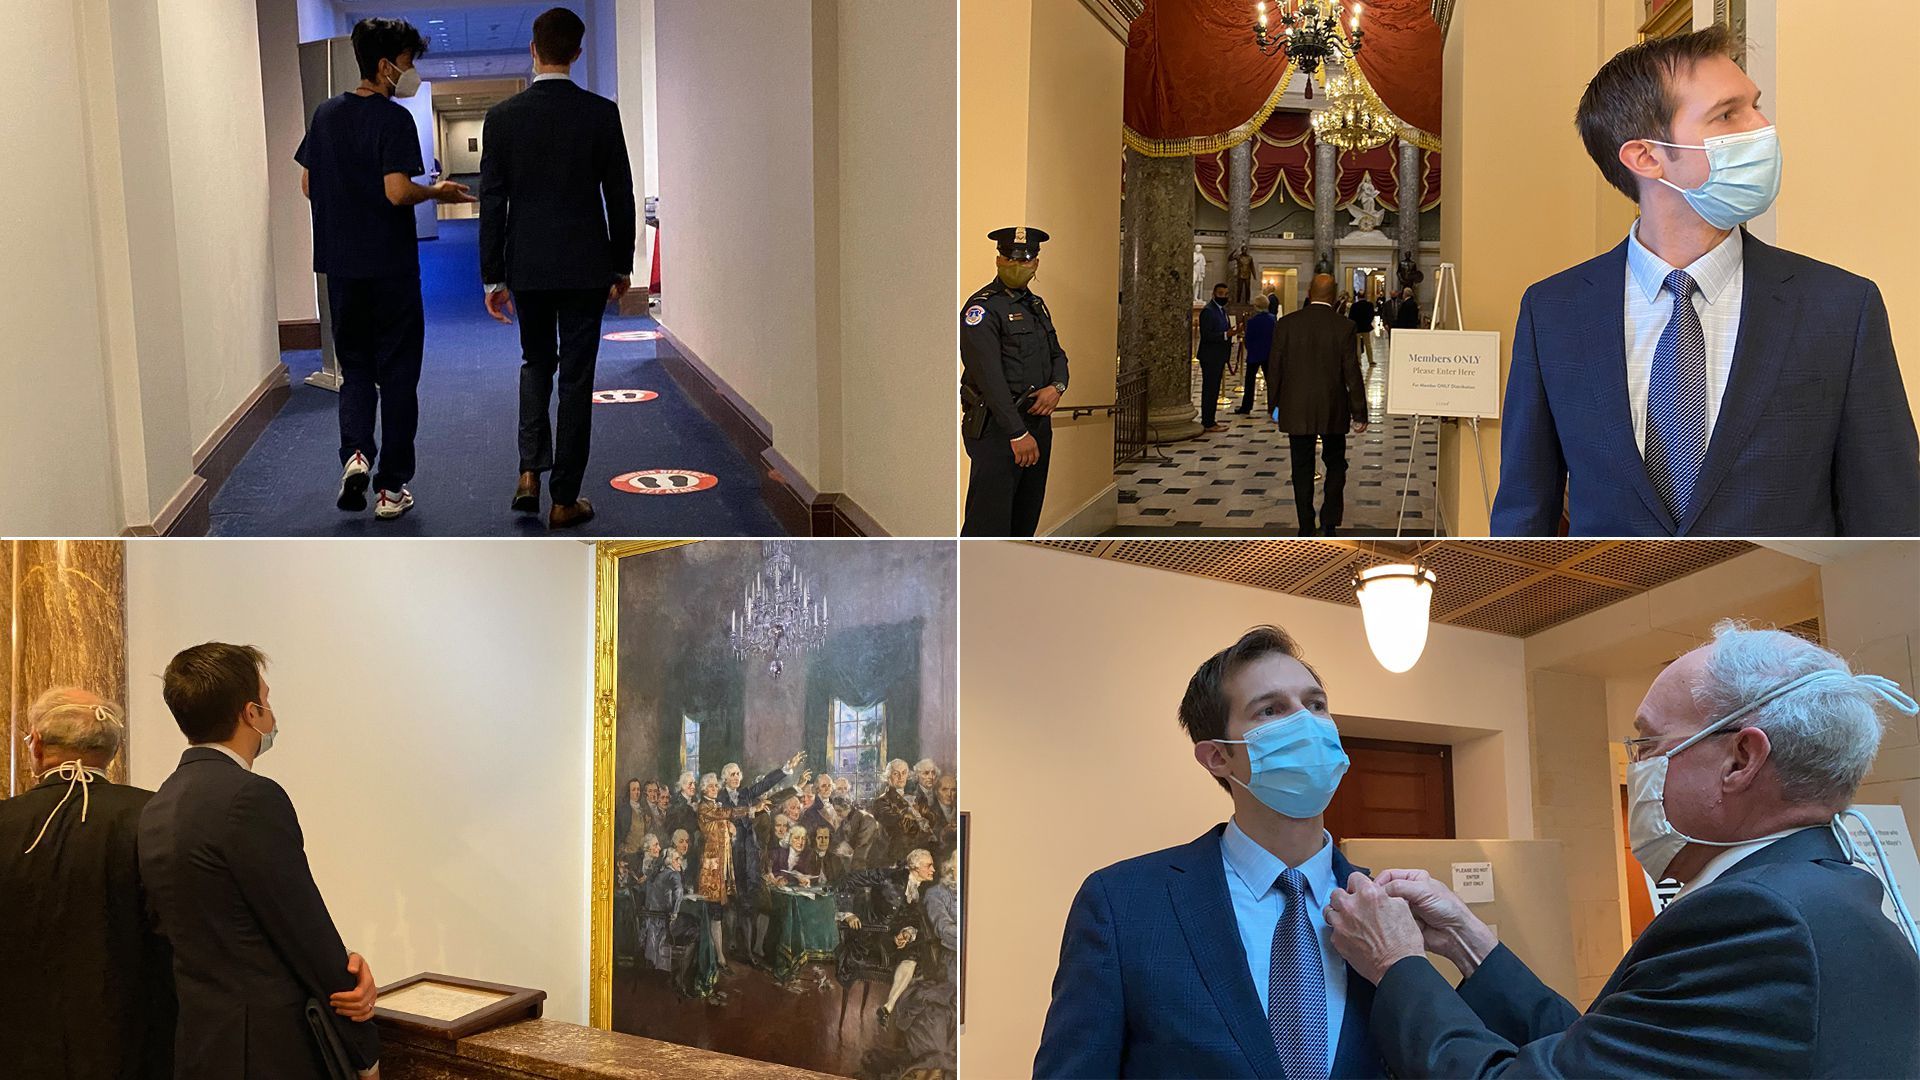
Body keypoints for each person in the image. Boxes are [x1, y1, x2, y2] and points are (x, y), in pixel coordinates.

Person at [1327, 622, 1920, 1077]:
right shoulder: (1829, 887)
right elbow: (1608, 1053)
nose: (1637, 768)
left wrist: (1396, 963)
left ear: (1741, 760)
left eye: (1648, 743)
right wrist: (1468, 941)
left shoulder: (1760, 919)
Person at [1491, 27, 1918, 536]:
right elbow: (1524, 514)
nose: (1761, 127)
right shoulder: (1553, 312)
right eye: (1728, 114)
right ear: (1646, 156)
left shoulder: (1841, 308)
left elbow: (1892, 517)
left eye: (1755, 107)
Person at [1035, 626, 1387, 1079]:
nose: (1306, 722)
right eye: (1271, 709)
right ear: (1218, 757)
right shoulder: (1122, 904)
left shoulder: (1384, 905)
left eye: (1316, 704)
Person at [139, 643, 382, 1079]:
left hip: (201, 1043)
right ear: (251, 714)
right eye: (266, 701)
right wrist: (363, 1044)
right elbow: (298, 924)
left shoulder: (159, 804)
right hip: (268, 1050)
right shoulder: (251, 797)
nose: (270, 713)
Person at [297, 18, 476, 522]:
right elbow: (397, 191)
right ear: (385, 66)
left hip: (341, 266)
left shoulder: (325, 114)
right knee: (398, 376)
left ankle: (355, 453)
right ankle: (390, 488)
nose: (411, 71)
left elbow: (309, 185)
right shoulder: (395, 120)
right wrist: (436, 192)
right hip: (390, 268)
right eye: (408, 61)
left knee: (355, 369)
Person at [481, 6, 636, 529]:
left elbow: (493, 202)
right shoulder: (600, 113)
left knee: (535, 363)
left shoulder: (502, 118)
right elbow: (620, 194)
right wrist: (621, 263)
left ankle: (529, 469)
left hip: (527, 264)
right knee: (576, 378)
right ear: (576, 52)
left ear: (533, 49)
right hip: (586, 265)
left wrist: (493, 275)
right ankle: (564, 497)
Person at [0, 690, 174, 1080]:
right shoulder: (156, 814)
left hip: (15, 1043)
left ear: (37, 745)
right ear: (112, 750)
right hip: (131, 1041)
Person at [961, 226, 1070, 536]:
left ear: (1035, 264)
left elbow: (1058, 355)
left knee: (1024, 520)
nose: (1018, 266)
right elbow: (989, 378)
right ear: (999, 260)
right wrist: (1017, 432)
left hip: (1036, 424)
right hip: (1000, 429)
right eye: (1010, 259)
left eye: (1025, 261)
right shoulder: (982, 309)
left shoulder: (1036, 307)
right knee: (989, 524)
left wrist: (1057, 387)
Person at [1270, 273, 1368, 537]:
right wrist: (1360, 413)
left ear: (1308, 294)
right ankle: (1329, 521)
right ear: (1334, 297)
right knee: (1335, 465)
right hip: (1333, 407)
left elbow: (1275, 368)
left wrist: (1274, 406)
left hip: (1296, 407)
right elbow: (1352, 372)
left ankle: (1305, 525)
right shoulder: (1344, 326)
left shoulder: (1287, 324)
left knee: (1301, 467)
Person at [1198, 282, 1235, 432]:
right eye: (1221, 294)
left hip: (1219, 356)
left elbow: (1223, 330)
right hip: (1210, 356)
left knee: (1214, 390)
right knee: (1210, 390)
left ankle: (1210, 420)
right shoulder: (1208, 311)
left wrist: (1231, 333)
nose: (1223, 297)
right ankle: (1207, 422)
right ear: (1214, 294)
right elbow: (1207, 335)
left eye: (1226, 294)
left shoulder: (1222, 310)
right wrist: (1227, 334)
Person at [1236, 293, 1280, 416]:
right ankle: (1273, 408)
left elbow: (1248, 339)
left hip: (1254, 354)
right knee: (1271, 382)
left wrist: (1250, 348)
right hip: (1268, 354)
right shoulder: (1273, 319)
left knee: (1250, 382)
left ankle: (1246, 406)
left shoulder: (1252, 322)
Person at [1347, 291, 1376, 367]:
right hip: (1366, 327)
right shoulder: (1369, 305)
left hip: (1357, 327)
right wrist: (1368, 322)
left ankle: (1359, 361)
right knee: (1368, 344)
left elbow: (1351, 317)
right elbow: (1372, 315)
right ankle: (1371, 360)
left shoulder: (1354, 306)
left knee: (1358, 345)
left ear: (1358, 297)